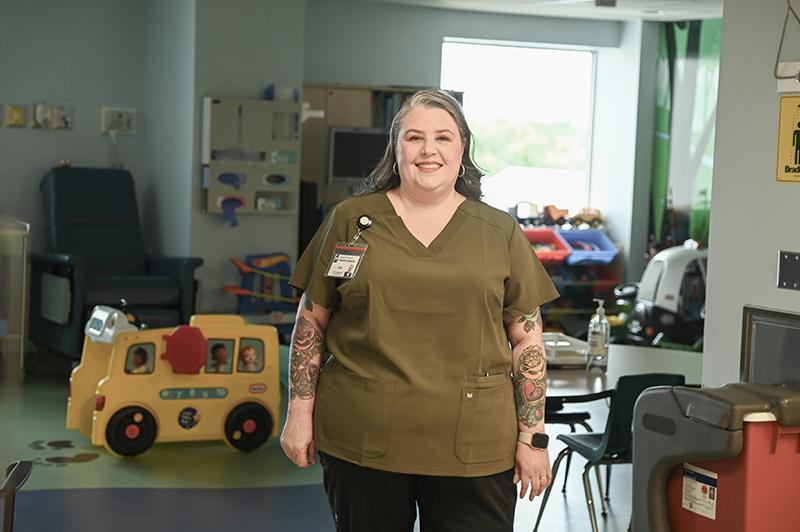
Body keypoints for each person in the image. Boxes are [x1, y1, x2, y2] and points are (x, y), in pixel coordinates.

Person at [280, 89, 559, 531]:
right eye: (414, 137)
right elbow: (312, 319)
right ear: (396, 148)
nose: (429, 150)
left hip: (473, 445)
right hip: (364, 438)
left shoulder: (499, 232)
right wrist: (298, 413)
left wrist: (534, 436)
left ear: (462, 148)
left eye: (443, 138)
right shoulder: (352, 220)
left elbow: (527, 338)